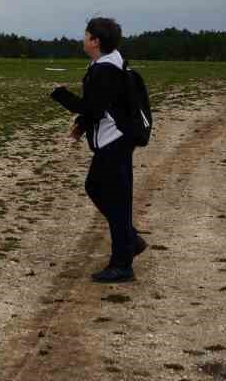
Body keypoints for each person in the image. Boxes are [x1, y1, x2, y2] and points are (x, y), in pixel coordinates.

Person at [50, 16, 146, 283]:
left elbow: (92, 107)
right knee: (99, 188)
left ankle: (122, 263)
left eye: (86, 34)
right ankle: (129, 240)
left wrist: (61, 95)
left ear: (95, 41)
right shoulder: (108, 62)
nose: (83, 38)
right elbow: (102, 105)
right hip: (116, 140)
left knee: (114, 199)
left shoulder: (105, 70)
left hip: (115, 142)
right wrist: (82, 126)